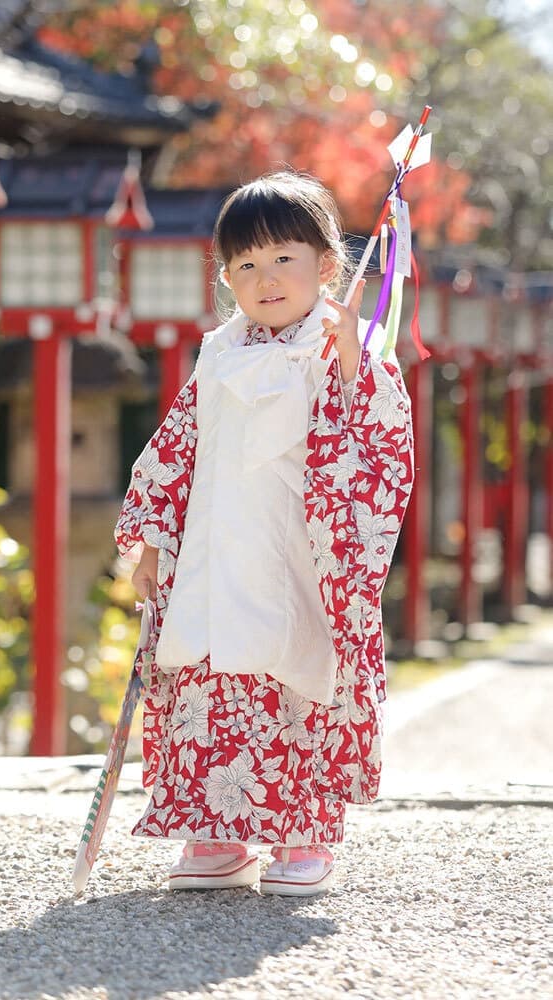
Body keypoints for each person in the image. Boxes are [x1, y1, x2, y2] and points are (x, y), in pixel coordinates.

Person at [115, 170, 414, 897]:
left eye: (285, 257)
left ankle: (302, 835)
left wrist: (349, 362)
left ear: (328, 265)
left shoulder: (348, 349)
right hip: (218, 548)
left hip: (299, 555)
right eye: (245, 264)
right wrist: (153, 535)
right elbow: (179, 443)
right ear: (226, 277)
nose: (266, 277)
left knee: (295, 678)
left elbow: (378, 445)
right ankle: (217, 833)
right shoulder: (219, 350)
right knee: (212, 677)